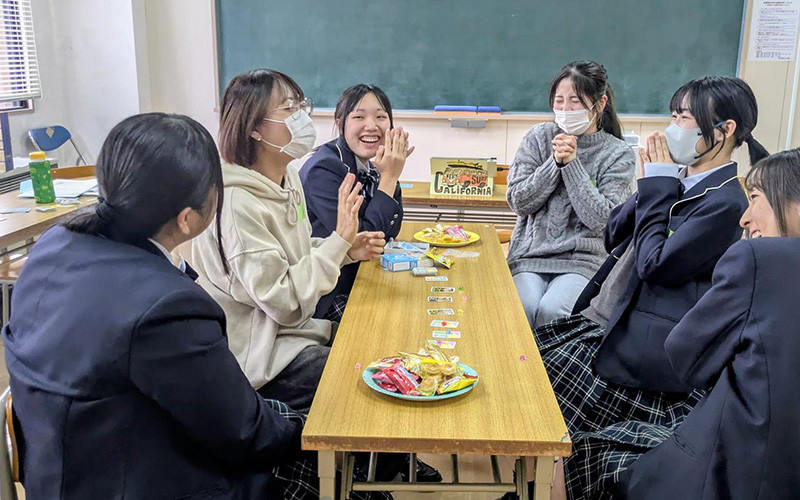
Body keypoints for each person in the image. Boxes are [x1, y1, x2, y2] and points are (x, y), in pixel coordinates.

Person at [2, 113, 314, 499]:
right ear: (187, 219)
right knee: (326, 464)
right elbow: (245, 433)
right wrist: (311, 431)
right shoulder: (167, 307)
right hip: (147, 481)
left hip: (62, 473)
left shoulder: (54, 246)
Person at [530, 76, 769, 500]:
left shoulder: (727, 202)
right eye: (673, 115)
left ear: (725, 129)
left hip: (643, 353)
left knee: (572, 440)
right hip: (609, 321)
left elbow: (656, 264)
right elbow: (613, 233)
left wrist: (659, 187)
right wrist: (657, 183)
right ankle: (532, 486)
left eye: (685, 118)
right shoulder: (677, 178)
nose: (673, 127)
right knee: (535, 395)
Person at [609, 148, 800, 499]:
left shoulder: (757, 255)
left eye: (755, 198)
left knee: (586, 452)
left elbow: (687, 358)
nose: (745, 218)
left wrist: (657, 186)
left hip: (731, 469)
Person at [191, 69, 386, 414]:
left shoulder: (287, 176)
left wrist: (345, 249)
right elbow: (284, 302)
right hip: (261, 357)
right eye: (288, 109)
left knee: (377, 339)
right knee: (367, 378)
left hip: (296, 332)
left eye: (301, 106)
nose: (302, 118)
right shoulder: (236, 204)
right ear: (253, 127)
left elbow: (295, 253)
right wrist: (338, 241)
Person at [506, 60, 636, 328]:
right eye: (559, 101)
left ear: (599, 104)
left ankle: (549, 359)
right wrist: (554, 163)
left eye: (575, 101)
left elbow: (603, 220)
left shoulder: (618, 153)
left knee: (554, 310)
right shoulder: (538, 137)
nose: (565, 109)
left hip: (583, 261)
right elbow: (518, 201)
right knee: (520, 306)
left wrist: (571, 165)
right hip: (530, 256)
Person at [299, 83, 412, 322]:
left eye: (380, 117)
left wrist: (389, 175)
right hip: (330, 293)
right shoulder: (325, 169)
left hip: (359, 276)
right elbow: (366, 238)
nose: (371, 126)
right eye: (359, 117)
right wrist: (389, 177)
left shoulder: (370, 162)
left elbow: (390, 231)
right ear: (340, 124)